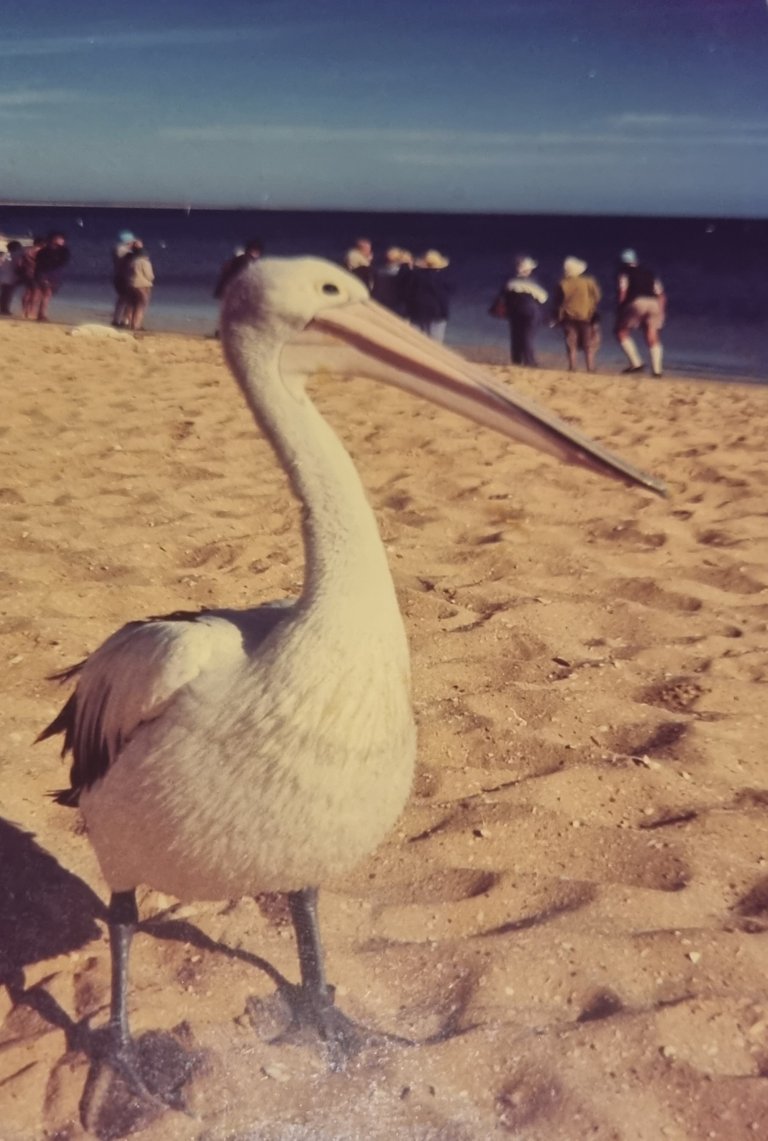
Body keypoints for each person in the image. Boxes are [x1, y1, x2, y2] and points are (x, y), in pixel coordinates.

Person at [614, 248, 666, 377]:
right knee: (652, 334)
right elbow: (661, 295)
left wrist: (620, 308)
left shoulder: (624, 272)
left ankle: (636, 363)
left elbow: (623, 291)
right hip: (654, 303)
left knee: (621, 331)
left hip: (636, 301)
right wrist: (662, 312)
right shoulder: (650, 273)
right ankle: (657, 371)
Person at [552, 257, 602, 372]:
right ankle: (590, 368)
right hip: (586, 315)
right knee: (588, 343)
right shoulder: (589, 281)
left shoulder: (562, 283)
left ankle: (572, 367)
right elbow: (597, 297)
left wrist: (555, 316)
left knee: (571, 342)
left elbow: (557, 301)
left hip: (568, 316)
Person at [503, 255, 548, 366]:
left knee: (516, 335)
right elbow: (543, 298)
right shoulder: (532, 282)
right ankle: (529, 361)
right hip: (530, 311)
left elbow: (504, 296)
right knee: (528, 336)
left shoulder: (510, 281)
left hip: (514, 311)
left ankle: (516, 360)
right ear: (528, 269)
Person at [404, 250, 453, 342]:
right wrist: (444, 314)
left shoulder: (415, 276)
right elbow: (443, 298)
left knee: (417, 342)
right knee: (435, 343)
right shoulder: (441, 278)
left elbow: (408, 294)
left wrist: (408, 311)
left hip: (417, 312)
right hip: (436, 314)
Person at [30, 232, 71, 322]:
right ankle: (41, 315)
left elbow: (64, 261)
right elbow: (40, 263)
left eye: (62, 239)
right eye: (59, 239)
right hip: (43, 274)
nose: (62, 241)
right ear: (52, 239)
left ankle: (40, 314)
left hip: (55, 275)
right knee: (47, 293)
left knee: (47, 294)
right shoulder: (44, 251)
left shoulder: (64, 251)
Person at [123, 240, 155, 331]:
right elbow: (149, 275)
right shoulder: (145, 262)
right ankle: (136, 326)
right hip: (142, 286)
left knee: (132, 305)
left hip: (131, 284)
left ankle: (130, 324)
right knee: (141, 306)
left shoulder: (132, 262)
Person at [372, 246, 412, 314]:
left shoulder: (378, 271)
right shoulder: (400, 273)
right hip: (396, 306)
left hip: (381, 303)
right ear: (399, 258)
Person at [112, 230, 136, 327]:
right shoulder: (124, 250)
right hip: (124, 277)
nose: (133, 243)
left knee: (123, 299)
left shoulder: (118, 249)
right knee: (127, 299)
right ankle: (123, 320)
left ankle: (118, 319)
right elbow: (130, 260)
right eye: (131, 242)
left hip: (119, 277)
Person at [19, 235, 45, 319]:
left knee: (27, 291)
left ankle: (23, 311)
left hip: (26, 272)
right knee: (36, 292)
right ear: (42, 243)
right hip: (36, 273)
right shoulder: (41, 251)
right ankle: (31, 311)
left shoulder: (26, 250)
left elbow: (20, 263)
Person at [0, 239, 23, 316]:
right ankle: (4, 309)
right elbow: (19, 266)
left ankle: (3, 309)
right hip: (12, 277)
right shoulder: (18, 255)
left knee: (4, 294)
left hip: (3, 277)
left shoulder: (4, 255)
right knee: (8, 295)